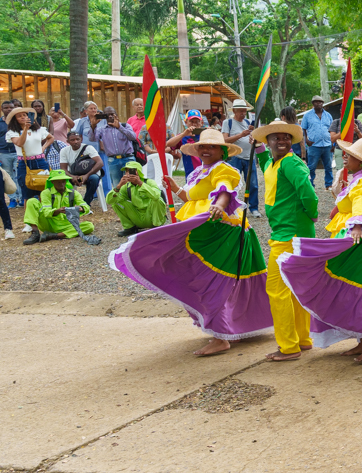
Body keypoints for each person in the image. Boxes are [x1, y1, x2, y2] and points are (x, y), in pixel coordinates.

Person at [109, 128, 272, 356]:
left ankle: (220, 336)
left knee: (212, 280)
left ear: (222, 151)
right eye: (202, 146)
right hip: (200, 231)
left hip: (221, 231)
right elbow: (189, 197)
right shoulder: (199, 171)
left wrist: (220, 204)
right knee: (200, 278)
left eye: (211, 146)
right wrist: (174, 188)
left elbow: (224, 189)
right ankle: (227, 329)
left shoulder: (223, 169)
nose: (206, 150)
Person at [279, 136, 362, 364]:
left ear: (361, 161)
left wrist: (357, 226)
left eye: (350, 156)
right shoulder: (359, 178)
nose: (345, 157)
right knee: (353, 289)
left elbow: (359, 204)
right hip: (357, 237)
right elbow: (348, 202)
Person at [248, 119, 319, 362]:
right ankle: (302, 339)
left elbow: (308, 193)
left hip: (290, 236)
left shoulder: (290, 163)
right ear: (267, 142)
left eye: (286, 137)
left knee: (277, 290)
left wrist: (312, 214)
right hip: (286, 233)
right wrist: (256, 146)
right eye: (275, 137)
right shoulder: (273, 162)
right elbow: (263, 162)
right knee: (295, 289)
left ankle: (288, 347)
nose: (282, 141)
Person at [22, 169, 99, 245]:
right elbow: (46, 212)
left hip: (66, 224)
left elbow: (86, 206)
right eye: (58, 182)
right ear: (52, 182)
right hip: (49, 222)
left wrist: (81, 209)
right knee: (31, 201)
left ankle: (55, 236)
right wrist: (57, 211)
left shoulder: (73, 193)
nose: (61, 184)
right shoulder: (46, 193)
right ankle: (35, 233)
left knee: (89, 226)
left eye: (63, 181)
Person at [106, 160, 168, 237]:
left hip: (152, 216)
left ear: (137, 172)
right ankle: (130, 228)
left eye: (130, 171)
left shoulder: (149, 182)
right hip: (138, 217)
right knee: (116, 202)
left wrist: (140, 183)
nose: (127, 174)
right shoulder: (126, 186)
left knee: (158, 200)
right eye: (126, 171)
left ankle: (157, 227)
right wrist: (118, 186)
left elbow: (156, 196)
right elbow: (109, 201)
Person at [221, 98, 260, 218]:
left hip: (250, 157)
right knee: (233, 184)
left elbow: (256, 139)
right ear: (234, 111)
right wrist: (240, 135)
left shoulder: (249, 122)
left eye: (244, 111)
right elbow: (224, 140)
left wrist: (254, 138)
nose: (243, 113)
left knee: (253, 184)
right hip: (234, 157)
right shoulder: (228, 123)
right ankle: (233, 207)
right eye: (240, 111)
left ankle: (254, 208)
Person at [7, 107, 53, 205]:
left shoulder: (39, 129)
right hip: (24, 162)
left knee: (44, 189)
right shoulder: (12, 132)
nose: (23, 117)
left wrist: (43, 148)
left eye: (25, 115)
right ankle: (30, 217)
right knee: (27, 191)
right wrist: (25, 129)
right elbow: (19, 143)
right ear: (15, 120)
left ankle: (45, 214)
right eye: (19, 116)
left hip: (40, 161)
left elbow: (51, 138)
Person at [73, 101, 111, 195]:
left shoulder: (103, 120)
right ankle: (94, 193)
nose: (93, 110)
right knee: (91, 171)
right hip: (88, 151)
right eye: (91, 108)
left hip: (100, 150)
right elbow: (78, 134)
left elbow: (107, 131)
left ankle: (107, 193)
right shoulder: (82, 121)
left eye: (95, 108)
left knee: (104, 170)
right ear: (86, 111)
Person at [96, 107, 140, 187]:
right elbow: (92, 138)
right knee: (117, 184)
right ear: (104, 116)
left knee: (132, 183)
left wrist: (119, 127)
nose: (110, 116)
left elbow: (133, 137)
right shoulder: (102, 129)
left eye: (112, 114)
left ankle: (132, 198)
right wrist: (93, 125)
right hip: (113, 160)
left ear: (116, 115)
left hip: (128, 158)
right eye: (107, 115)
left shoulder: (125, 126)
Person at [59, 130, 103, 204]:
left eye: (77, 139)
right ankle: (69, 203)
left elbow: (100, 163)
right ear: (68, 141)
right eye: (72, 140)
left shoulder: (89, 148)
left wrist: (86, 175)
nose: (75, 141)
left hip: (90, 173)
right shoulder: (64, 151)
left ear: (81, 139)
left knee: (94, 179)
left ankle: (86, 203)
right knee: (64, 181)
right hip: (74, 174)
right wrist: (72, 177)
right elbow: (63, 168)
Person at [301, 96, 335, 189]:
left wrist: (333, 144)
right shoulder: (307, 115)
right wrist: (306, 140)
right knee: (311, 166)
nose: (318, 103)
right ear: (313, 103)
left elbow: (332, 130)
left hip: (327, 144)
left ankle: (329, 184)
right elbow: (303, 128)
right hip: (314, 145)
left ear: (323, 103)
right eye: (316, 102)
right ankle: (310, 185)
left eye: (320, 102)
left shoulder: (328, 115)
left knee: (328, 166)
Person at [166, 110, 206, 177]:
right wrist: (183, 134)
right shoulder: (183, 137)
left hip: (207, 172)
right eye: (191, 121)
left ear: (201, 123)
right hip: (191, 174)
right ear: (186, 122)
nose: (194, 124)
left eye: (197, 121)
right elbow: (169, 144)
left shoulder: (206, 134)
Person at [1, 100, 20, 207]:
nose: (9, 109)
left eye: (11, 107)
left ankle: (22, 198)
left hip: (18, 153)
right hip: (3, 154)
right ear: (2, 109)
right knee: (8, 177)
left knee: (19, 176)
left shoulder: (18, 122)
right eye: (6, 108)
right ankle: (13, 199)